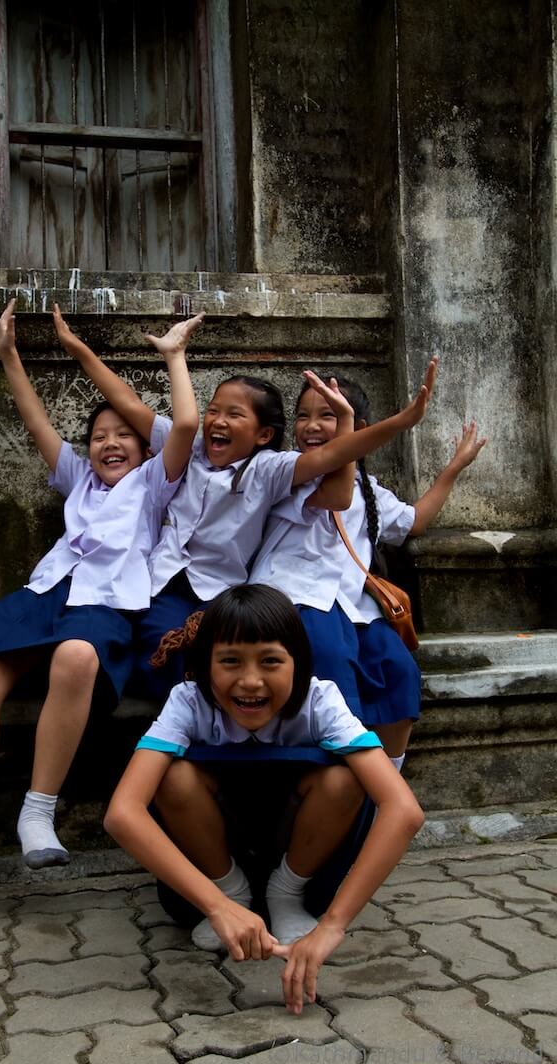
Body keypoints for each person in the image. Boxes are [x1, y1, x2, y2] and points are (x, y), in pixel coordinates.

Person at [0, 300, 202, 908]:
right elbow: (33, 416)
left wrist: (161, 356)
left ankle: (37, 812)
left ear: (145, 451)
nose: (109, 443)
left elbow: (188, 427)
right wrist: (9, 356)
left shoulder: (155, 485)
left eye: (123, 436)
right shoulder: (76, 478)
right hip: (47, 591)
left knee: (76, 659)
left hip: (109, 600)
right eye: (98, 437)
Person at [53, 302, 438, 701]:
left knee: (224, 668)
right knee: (160, 655)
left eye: (234, 415)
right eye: (213, 411)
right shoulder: (189, 449)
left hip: (222, 595)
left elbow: (331, 459)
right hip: (164, 584)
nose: (217, 421)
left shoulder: (268, 470)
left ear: (263, 435)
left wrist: (401, 422)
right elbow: (129, 403)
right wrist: (79, 350)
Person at [104, 584, 424, 1015]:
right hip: (216, 862)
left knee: (346, 779)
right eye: (230, 661)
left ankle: (285, 897)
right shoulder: (187, 700)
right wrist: (219, 906)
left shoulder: (321, 700)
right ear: (204, 666)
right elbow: (122, 814)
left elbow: (403, 809)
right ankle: (233, 893)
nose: (250, 680)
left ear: (298, 664)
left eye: (271, 661)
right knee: (172, 777)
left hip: (301, 857)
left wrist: (332, 926)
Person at [250, 373, 487, 762]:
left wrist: (454, 468)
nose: (310, 425)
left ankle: (381, 793)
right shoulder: (286, 469)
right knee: (331, 678)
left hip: (353, 606)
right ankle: (336, 785)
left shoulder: (368, 487)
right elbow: (336, 497)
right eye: (303, 415)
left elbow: (414, 521)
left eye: (329, 414)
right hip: (296, 599)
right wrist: (395, 421)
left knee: (399, 673)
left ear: (360, 429)